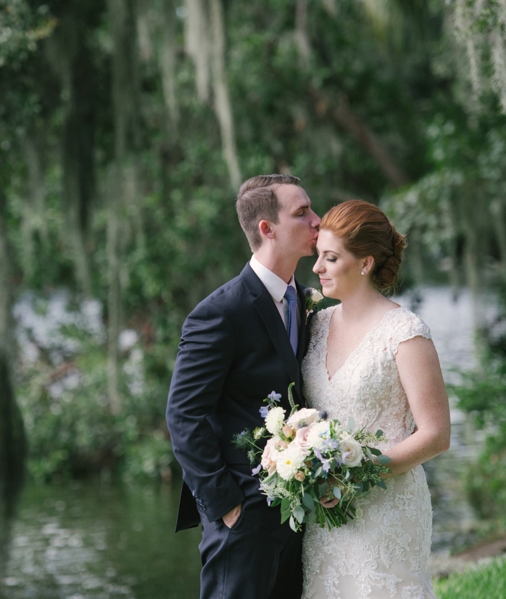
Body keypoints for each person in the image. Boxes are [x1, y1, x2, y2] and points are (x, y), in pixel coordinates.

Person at [166, 174, 326, 599]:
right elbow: (184, 416)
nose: (318, 220)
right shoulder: (219, 313)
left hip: (297, 510)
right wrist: (228, 507)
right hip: (244, 514)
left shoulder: (305, 301)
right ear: (266, 229)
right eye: (302, 213)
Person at [301, 199, 451, 598]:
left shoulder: (405, 333)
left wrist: (360, 473)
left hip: (388, 509)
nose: (316, 268)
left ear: (365, 263)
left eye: (330, 258)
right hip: (326, 511)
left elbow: (436, 434)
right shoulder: (315, 325)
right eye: (318, 256)